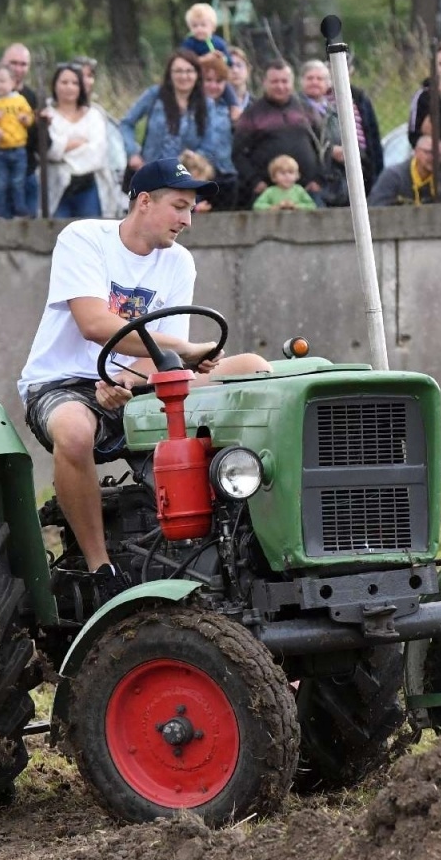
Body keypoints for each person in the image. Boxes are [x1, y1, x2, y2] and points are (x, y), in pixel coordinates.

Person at [15, 158, 268, 603]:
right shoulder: (84, 238)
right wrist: (189, 353)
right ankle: (101, 570)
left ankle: (247, 542)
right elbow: (94, 322)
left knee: (253, 369)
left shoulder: (179, 263)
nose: (187, 220)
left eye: (191, 210)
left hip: (136, 384)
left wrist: (132, 383)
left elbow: (161, 363)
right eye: (179, 206)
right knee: (74, 432)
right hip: (65, 386)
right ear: (145, 201)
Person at [231, 61, 322, 209]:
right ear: (265, 83)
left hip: (306, 193)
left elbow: (323, 146)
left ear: (292, 83)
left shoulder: (307, 110)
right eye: (274, 81)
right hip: (268, 195)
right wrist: (254, 181)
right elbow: (238, 153)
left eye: (284, 81)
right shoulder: (252, 114)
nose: (280, 86)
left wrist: (319, 179)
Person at [46, 64, 123, 219]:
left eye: (74, 83)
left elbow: (97, 154)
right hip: (57, 187)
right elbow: (50, 151)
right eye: (64, 82)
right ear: (55, 85)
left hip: (88, 186)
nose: (69, 87)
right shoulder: (47, 115)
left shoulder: (94, 115)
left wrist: (64, 150)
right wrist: (77, 143)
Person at [120, 51, 209, 176]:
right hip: (150, 175)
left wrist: (198, 156)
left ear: (197, 74)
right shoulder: (155, 95)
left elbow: (211, 139)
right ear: (169, 74)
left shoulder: (207, 104)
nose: (184, 76)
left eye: (189, 71)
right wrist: (132, 153)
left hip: (186, 178)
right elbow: (126, 124)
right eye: (178, 71)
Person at [0, 62, 37, 218]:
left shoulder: (19, 100)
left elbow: (30, 117)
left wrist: (26, 119)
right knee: (0, 183)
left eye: (2, 81)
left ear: (13, 82)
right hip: (0, 150)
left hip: (18, 148)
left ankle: (20, 210)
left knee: (18, 182)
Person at [194, 53, 239, 201]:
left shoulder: (229, 110)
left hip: (226, 172)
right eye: (208, 80)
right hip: (197, 175)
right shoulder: (190, 108)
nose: (213, 86)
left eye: (219, 81)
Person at [369, 132, 441, 206]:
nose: (434, 158)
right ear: (416, 151)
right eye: (429, 152)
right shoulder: (393, 176)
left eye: (439, 155)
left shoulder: (439, 180)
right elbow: (376, 206)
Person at [252, 154, 317, 211]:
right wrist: (273, 207)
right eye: (282, 173)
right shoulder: (270, 191)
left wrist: (296, 206)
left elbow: (311, 206)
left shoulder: (299, 190)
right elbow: (257, 206)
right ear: (274, 177)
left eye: (290, 172)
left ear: (297, 175)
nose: (287, 176)